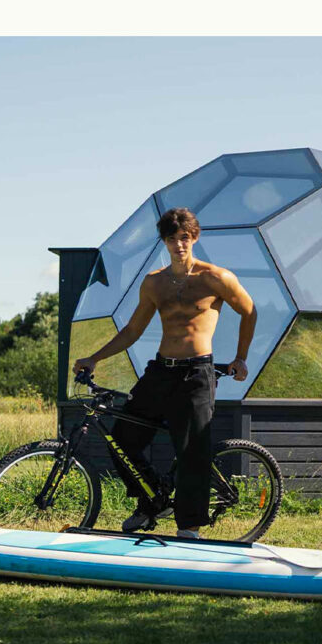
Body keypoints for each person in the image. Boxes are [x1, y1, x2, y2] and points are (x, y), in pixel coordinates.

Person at [72, 207, 257, 538]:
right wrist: (94, 358)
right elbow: (132, 330)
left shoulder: (215, 278)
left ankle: (189, 530)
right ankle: (152, 500)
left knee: (191, 453)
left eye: (184, 238)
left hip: (196, 374)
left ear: (194, 237)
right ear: (164, 242)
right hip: (160, 371)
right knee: (123, 438)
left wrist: (241, 358)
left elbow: (249, 311)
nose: (178, 245)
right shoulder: (154, 283)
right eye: (172, 239)